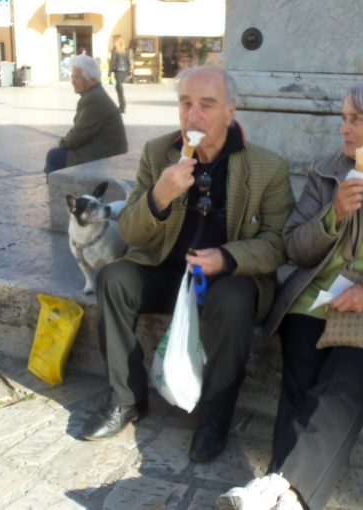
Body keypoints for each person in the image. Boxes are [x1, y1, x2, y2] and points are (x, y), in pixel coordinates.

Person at [217, 79, 363, 510]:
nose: (344, 129)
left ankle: (280, 489)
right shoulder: (327, 170)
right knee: (299, 380)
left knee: (343, 380)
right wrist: (333, 216)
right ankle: (286, 496)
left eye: (356, 119)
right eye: (343, 118)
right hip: (319, 296)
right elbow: (293, 246)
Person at [81, 66, 294, 463]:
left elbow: (278, 244)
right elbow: (130, 230)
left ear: (231, 111)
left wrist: (228, 257)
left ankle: (214, 417)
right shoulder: (158, 152)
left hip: (230, 276)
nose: (192, 115)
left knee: (232, 301)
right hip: (168, 269)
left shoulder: (268, 167)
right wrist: (157, 198)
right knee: (113, 279)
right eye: (185, 103)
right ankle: (126, 399)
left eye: (207, 105)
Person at [44, 55, 127, 176]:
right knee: (57, 154)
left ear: (92, 80)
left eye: (77, 77)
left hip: (105, 156)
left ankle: (58, 193)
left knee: (54, 156)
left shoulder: (95, 99)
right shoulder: (93, 95)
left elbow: (78, 135)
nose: (73, 81)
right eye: (72, 76)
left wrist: (61, 144)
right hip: (104, 151)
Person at [110, 35, 131, 113]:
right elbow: (128, 61)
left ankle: (122, 107)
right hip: (124, 70)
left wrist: (109, 72)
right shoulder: (125, 50)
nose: (112, 42)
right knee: (119, 87)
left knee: (119, 88)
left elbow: (112, 61)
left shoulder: (114, 50)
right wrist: (129, 71)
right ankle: (122, 106)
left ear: (116, 41)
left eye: (113, 40)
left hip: (118, 71)